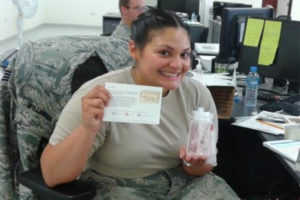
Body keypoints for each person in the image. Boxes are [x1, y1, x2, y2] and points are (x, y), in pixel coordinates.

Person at [40, 7, 240, 199]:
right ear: (134, 49)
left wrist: (193, 163)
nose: (177, 65)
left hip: (184, 185)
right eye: (164, 53)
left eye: (184, 54)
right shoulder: (99, 95)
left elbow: (201, 169)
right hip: (121, 187)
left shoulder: (197, 94)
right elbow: (52, 175)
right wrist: (87, 128)